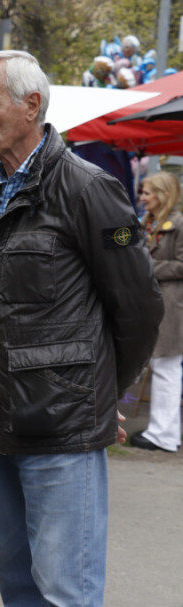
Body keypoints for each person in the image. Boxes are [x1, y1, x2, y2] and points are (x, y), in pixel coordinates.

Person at [0, 50, 163, 606]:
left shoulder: (88, 187)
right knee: (18, 586)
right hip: (1, 420)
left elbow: (139, 307)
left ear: (31, 105)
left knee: (65, 591)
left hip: (62, 423)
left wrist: (103, 394)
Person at [130, 172, 183, 452]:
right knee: (164, 369)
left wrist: (148, 266)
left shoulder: (179, 224)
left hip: (173, 306)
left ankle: (162, 436)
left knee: (167, 369)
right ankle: (167, 433)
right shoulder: (147, 222)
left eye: (147, 193)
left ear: (163, 195)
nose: (142, 198)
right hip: (157, 305)